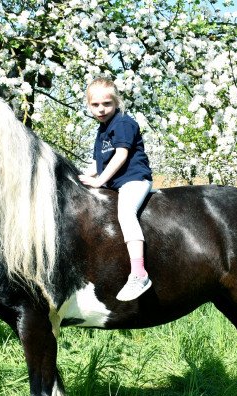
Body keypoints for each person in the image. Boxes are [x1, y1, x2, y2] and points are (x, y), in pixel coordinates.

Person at [79, 78, 153, 301]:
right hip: (116, 183)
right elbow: (97, 163)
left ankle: (139, 274)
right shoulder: (102, 130)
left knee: (126, 213)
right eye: (95, 105)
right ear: (88, 105)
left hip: (134, 180)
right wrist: (81, 176)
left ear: (117, 102)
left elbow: (121, 155)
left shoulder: (122, 123)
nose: (101, 109)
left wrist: (100, 181)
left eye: (106, 104)